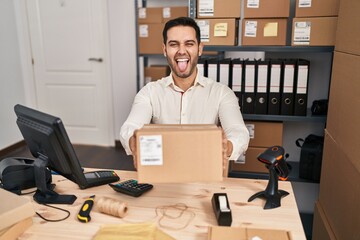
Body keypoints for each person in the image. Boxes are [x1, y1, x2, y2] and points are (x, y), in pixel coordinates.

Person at [120, 16, 249, 173]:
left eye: (189, 44)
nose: (182, 51)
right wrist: (133, 140)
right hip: (162, 176)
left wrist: (227, 146)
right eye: (174, 44)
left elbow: (239, 132)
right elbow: (130, 127)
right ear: (164, 49)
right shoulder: (149, 92)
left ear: (200, 48)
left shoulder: (221, 93)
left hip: (204, 176)